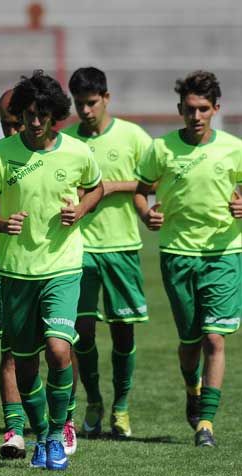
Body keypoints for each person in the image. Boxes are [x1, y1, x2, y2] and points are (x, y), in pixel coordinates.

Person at [0, 70, 103, 470]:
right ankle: (42, 433)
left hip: (62, 267)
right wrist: (1, 223)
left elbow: (97, 187)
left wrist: (82, 208)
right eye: (28, 114)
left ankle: (56, 431)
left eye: (42, 115)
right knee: (26, 362)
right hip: (15, 272)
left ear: (55, 116)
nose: (34, 122)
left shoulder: (77, 153)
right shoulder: (1, 154)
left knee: (59, 348)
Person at [134, 71, 242, 448]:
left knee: (215, 337)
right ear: (179, 108)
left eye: (203, 109)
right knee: (191, 339)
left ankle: (206, 423)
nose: (195, 116)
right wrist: (147, 214)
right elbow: (141, 191)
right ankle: (191, 386)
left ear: (216, 109)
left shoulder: (233, 147)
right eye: (189, 109)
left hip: (224, 253)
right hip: (177, 254)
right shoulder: (160, 149)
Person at [62, 67, 152, 439]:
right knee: (82, 332)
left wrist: (111, 186)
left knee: (123, 332)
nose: (85, 110)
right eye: (79, 104)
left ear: (107, 99)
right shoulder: (65, 141)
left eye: (92, 103)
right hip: (78, 249)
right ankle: (95, 401)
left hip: (122, 246)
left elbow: (155, 177)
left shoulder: (133, 136)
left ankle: (122, 407)